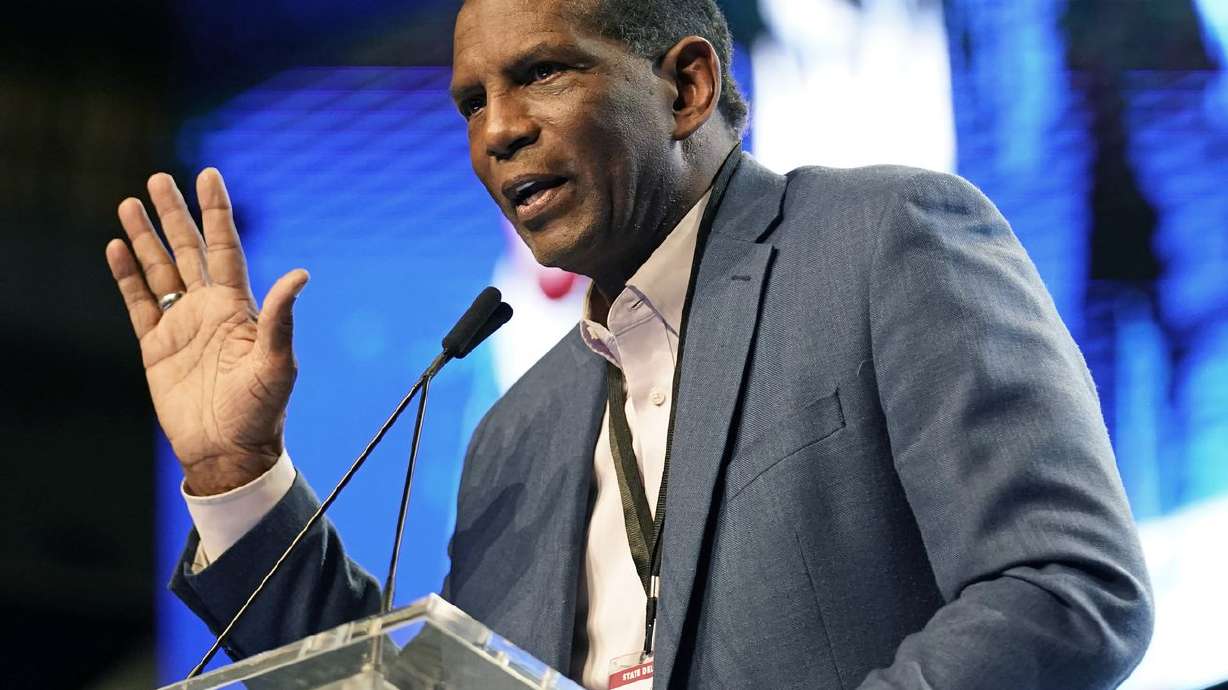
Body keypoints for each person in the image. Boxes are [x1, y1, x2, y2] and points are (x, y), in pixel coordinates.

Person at [104, 0, 1154, 688]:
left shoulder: (879, 242)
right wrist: (235, 472)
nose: (496, 130)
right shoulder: (517, 430)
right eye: (472, 101)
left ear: (685, 87)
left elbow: (1064, 587)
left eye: (543, 75)